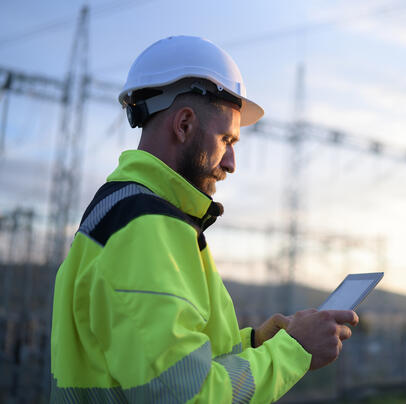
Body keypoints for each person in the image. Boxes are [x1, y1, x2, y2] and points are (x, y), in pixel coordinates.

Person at [50, 35, 359, 403]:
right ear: (184, 125)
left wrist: (256, 344)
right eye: (227, 140)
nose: (231, 164)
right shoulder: (146, 228)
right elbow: (189, 396)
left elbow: (170, 366)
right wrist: (295, 350)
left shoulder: (126, 211)